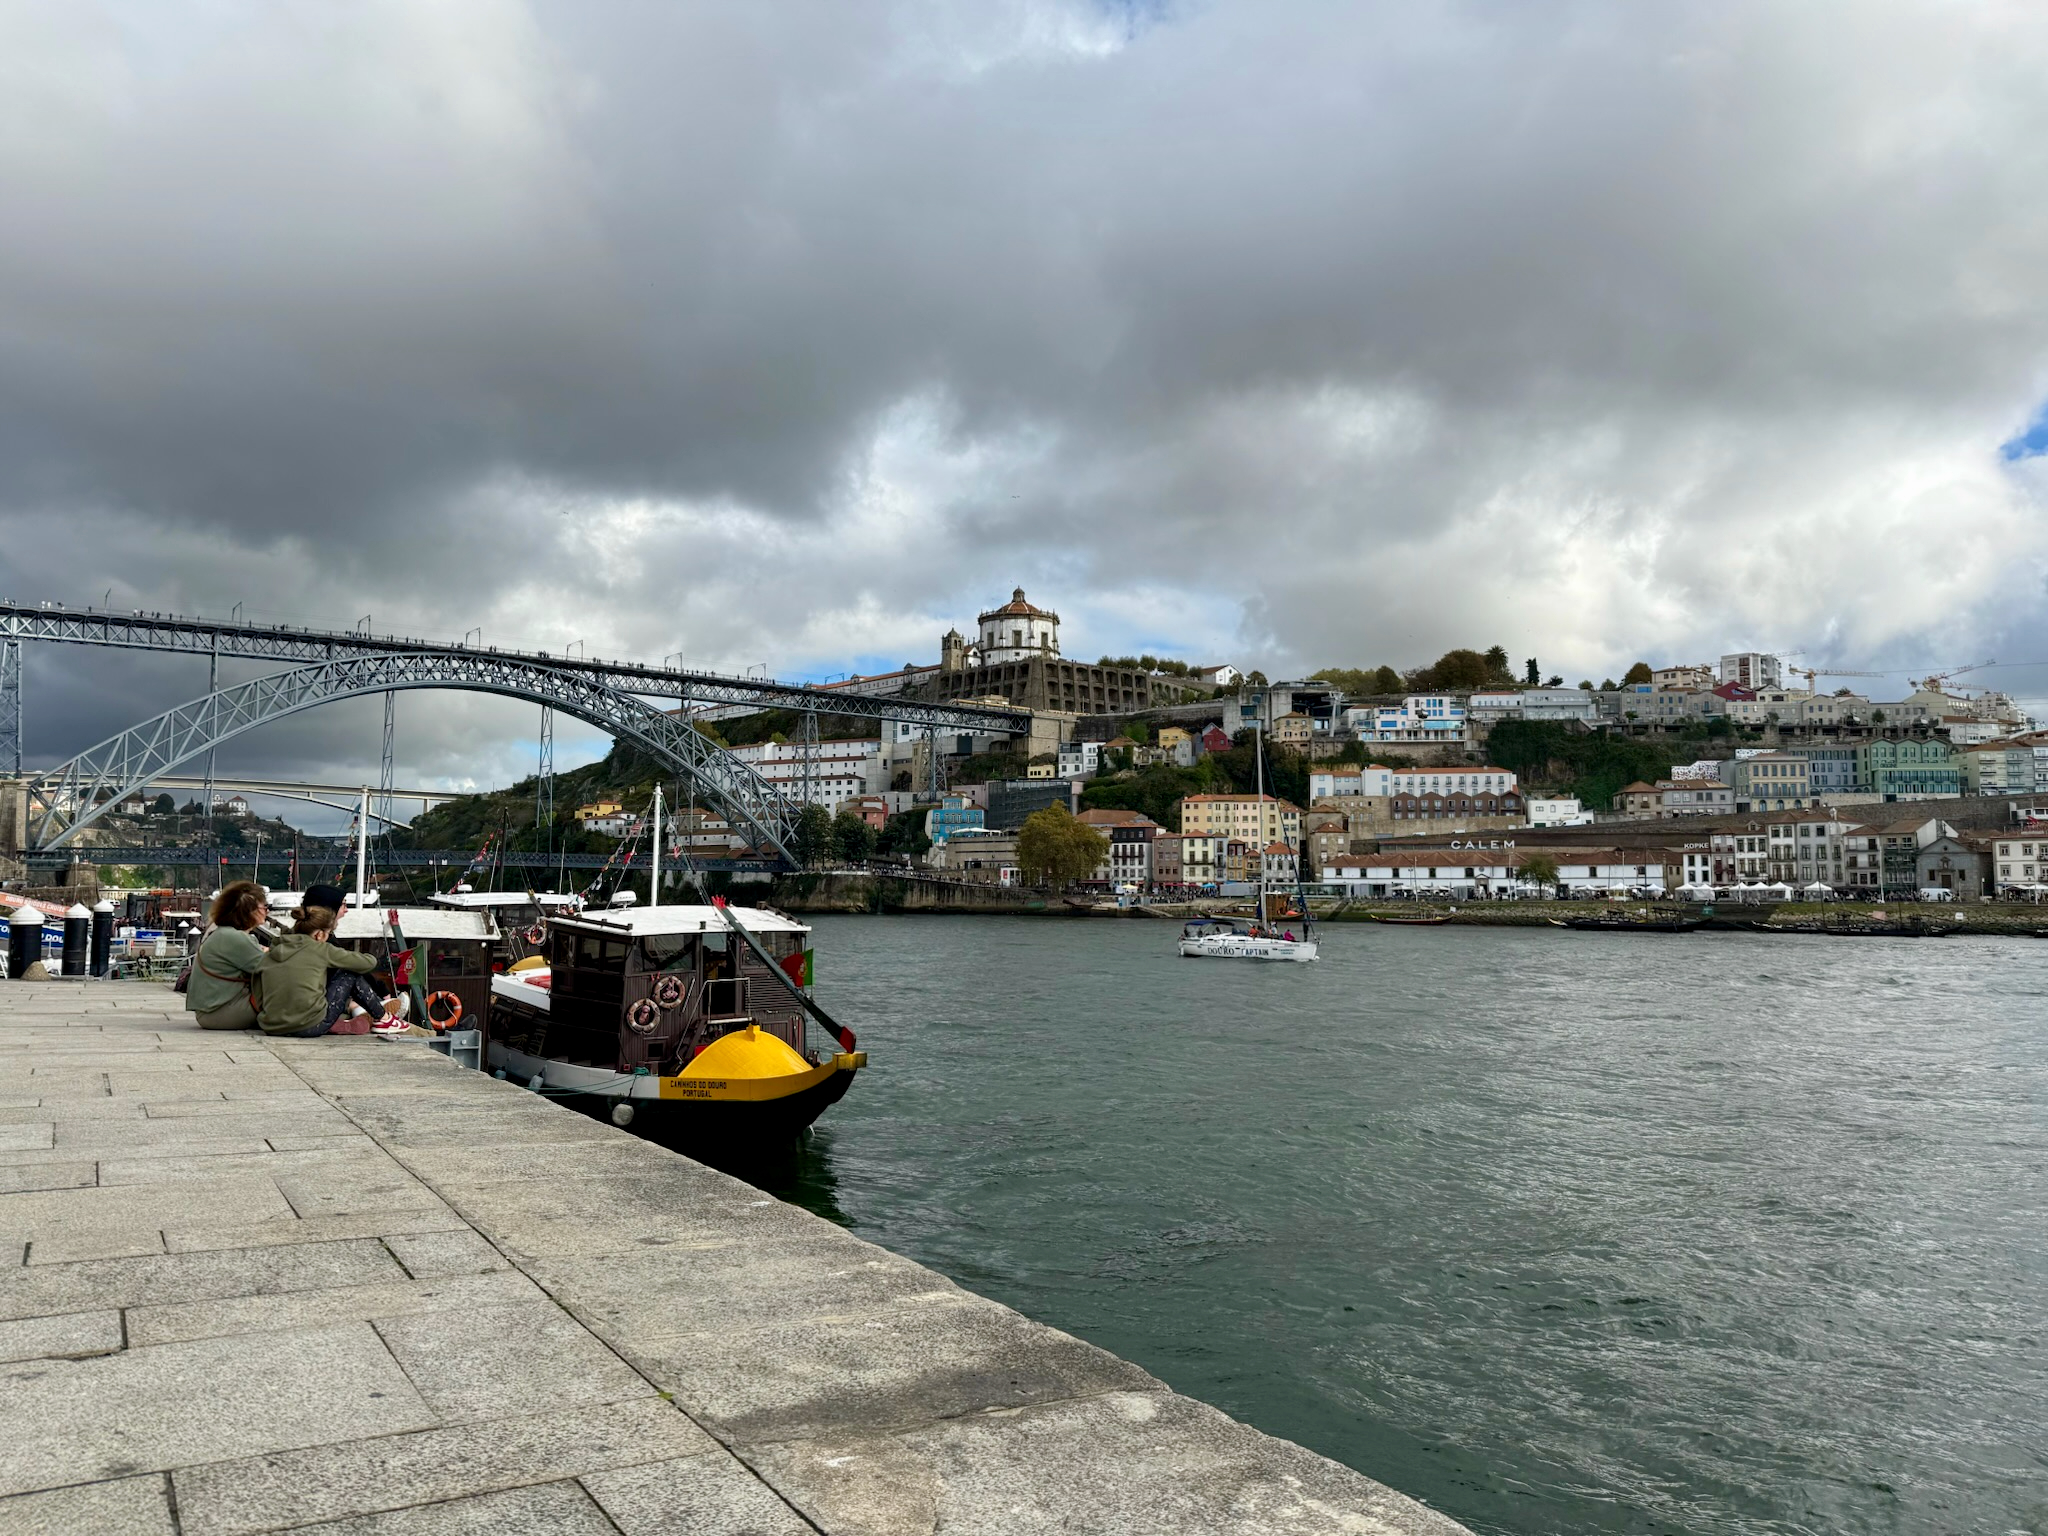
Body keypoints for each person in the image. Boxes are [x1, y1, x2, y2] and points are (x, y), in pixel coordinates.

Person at [256, 905, 406, 1038]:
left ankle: (374, 1015)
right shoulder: (321, 949)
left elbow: (259, 994)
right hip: (309, 1026)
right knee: (349, 974)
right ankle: (384, 1018)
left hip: (271, 1026)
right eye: (329, 933)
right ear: (319, 935)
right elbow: (368, 963)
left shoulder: (271, 952)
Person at [185, 880, 271, 1030]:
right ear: (249, 910)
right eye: (265, 907)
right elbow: (273, 969)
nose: (267, 911)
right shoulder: (235, 938)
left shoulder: (222, 934)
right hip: (221, 1012)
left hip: (211, 1011)